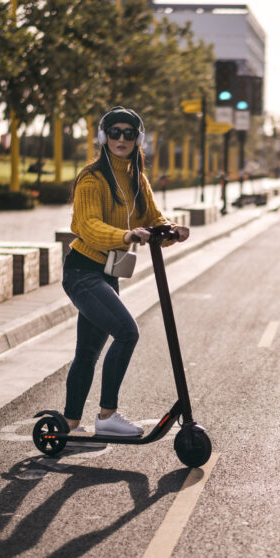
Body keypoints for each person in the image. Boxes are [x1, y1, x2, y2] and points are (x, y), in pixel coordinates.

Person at [62, 106, 189, 437]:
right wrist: (126, 235)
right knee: (127, 332)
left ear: (138, 139)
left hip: (108, 273)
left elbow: (154, 217)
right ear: (103, 137)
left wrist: (172, 229)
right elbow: (88, 225)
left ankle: (70, 425)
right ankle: (107, 416)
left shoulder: (137, 179)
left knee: (87, 352)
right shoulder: (92, 178)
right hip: (82, 270)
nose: (121, 139)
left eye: (128, 133)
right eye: (114, 132)